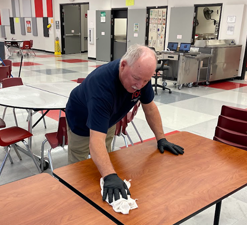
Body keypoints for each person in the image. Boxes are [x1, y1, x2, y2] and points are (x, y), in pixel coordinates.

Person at [65, 44, 184, 203]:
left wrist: (161, 138)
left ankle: (102, 185)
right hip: (80, 121)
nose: (139, 85)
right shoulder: (101, 86)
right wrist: (110, 175)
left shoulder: (141, 74)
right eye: (136, 78)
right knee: (79, 168)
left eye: (146, 80)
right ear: (123, 65)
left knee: (105, 156)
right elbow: (95, 139)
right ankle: (76, 199)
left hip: (108, 118)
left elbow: (150, 109)